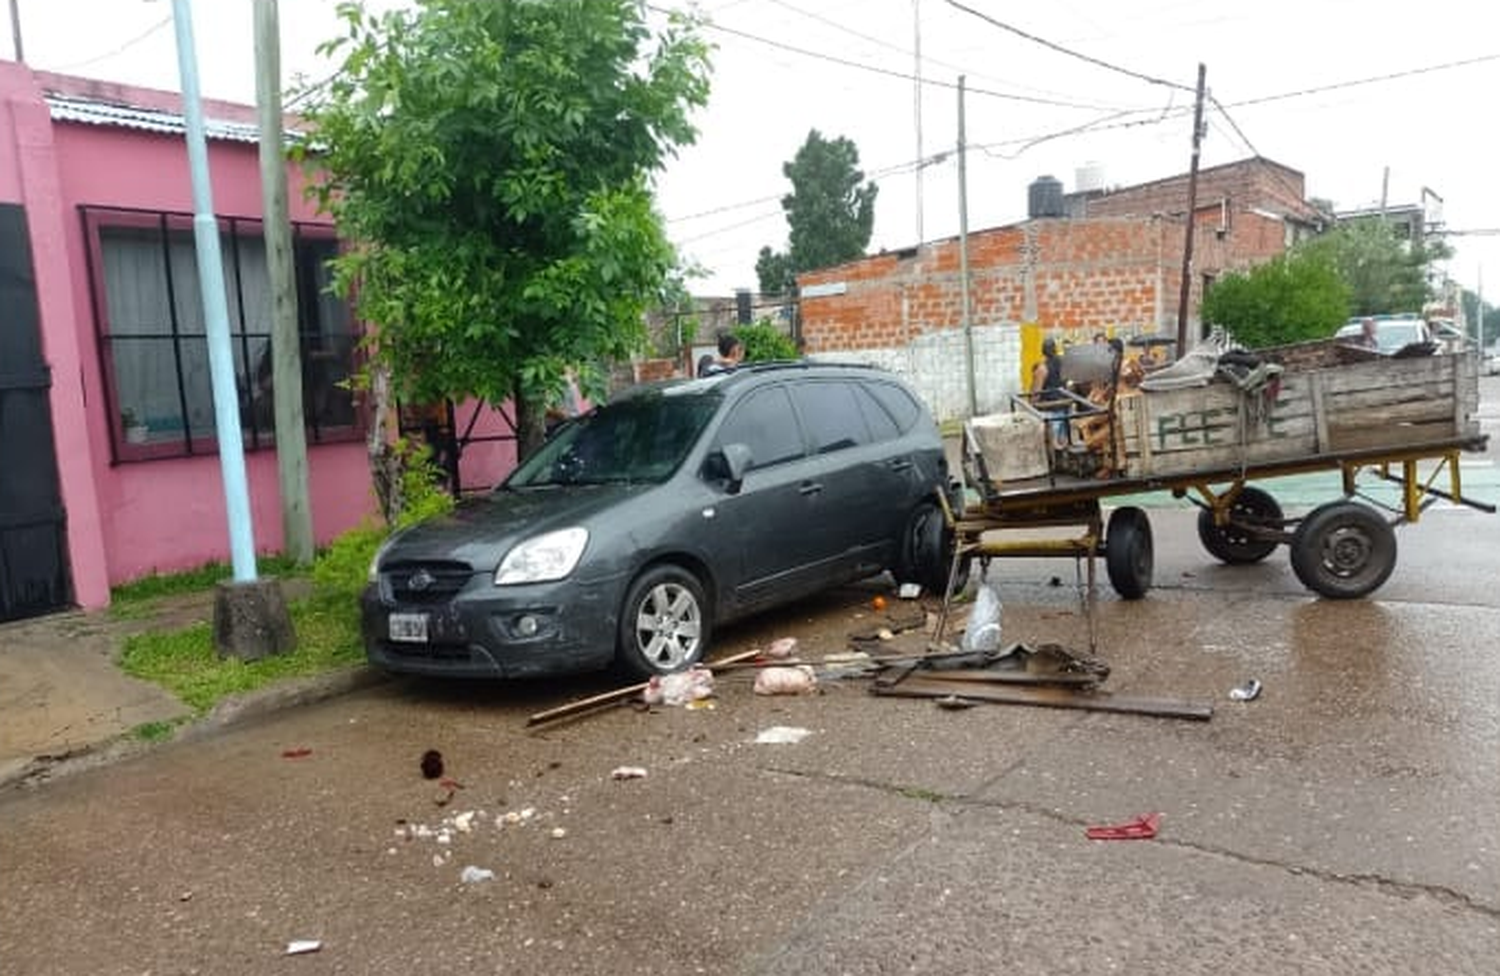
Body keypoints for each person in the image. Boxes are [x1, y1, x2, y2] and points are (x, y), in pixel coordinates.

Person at [1030, 337, 1068, 449]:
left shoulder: (1042, 369)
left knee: (1052, 446)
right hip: (1064, 409)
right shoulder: (1064, 364)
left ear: (1043, 351)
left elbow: (1036, 394)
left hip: (1050, 411)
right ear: (1055, 349)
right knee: (1063, 442)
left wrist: (1030, 406)